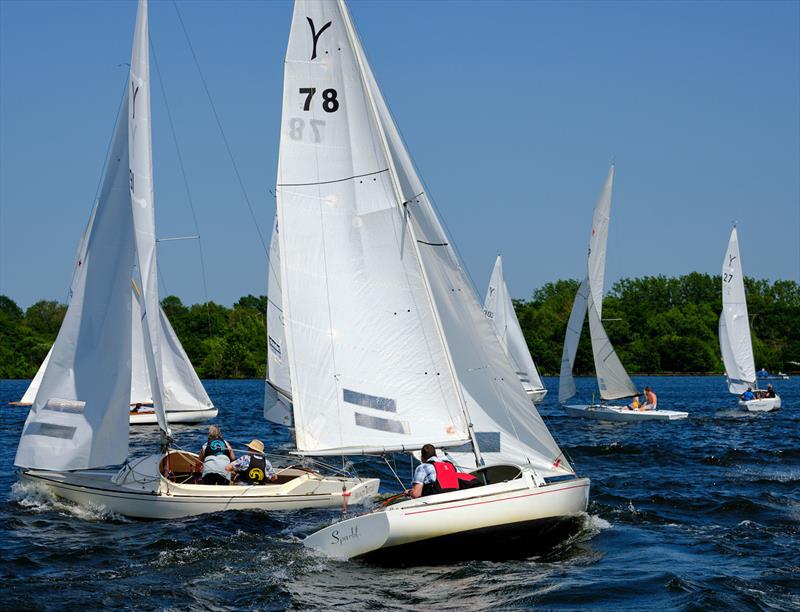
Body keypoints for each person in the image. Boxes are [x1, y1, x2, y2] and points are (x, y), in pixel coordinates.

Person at [408, 444, 479, 499]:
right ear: (436, 455)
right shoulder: (449, 464)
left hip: (435, 499)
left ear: (422, 458)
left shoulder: (422, 467)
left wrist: (409, 492)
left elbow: (416, 494)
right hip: (454, 496)